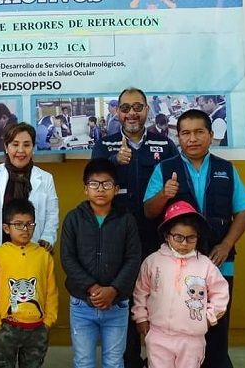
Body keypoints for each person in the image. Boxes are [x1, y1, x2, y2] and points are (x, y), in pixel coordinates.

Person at [143, 109, 245, 368]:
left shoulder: (226, 170)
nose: (192, 138)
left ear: (211, 135)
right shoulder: (165, 168)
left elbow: (242, 213)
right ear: (178, 137)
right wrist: (163, 194)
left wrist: (226, 245)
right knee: (177, 326)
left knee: (215, 327)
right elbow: (149, 211)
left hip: (218, 263)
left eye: (198, 132)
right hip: (176, 266)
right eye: (185, 133)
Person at [91, 87, 178, 368]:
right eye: (125, 108)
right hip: (118, 238)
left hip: (158, 237)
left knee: (159, 298)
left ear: (147, 111)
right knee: (124, 301)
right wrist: (114, 163)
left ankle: (160, 359)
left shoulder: (165, 145)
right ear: (117, 112)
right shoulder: (105, 146)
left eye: (137, 107)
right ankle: (129, 360)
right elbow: (96, 184)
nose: (131, 113)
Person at [60, 158, 141, 368]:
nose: (100, 189)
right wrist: (93, 287)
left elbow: (133, 259)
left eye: (106, 184)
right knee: (83, 361)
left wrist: (113, 290)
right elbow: (68, 258)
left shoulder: (126, 220)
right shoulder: (73, 219)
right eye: (94, 184)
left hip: (117, 304)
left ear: (115, 189)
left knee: (114, 362)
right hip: (81, 304)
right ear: (85, 189)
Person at [133, 201, 230, 368]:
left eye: (190, 238)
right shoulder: (153, 261)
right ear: (166, 235)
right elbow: (141, 291)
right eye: (178, 237)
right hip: (158, 334)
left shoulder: (205, 265)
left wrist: (208, 318)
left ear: (198, 237)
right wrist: (140, 317)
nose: (184, 243)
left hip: (192, 339)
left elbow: (221, 293)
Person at [0, 198, 58, 368]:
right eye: (18, 224)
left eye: (30, 224)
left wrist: (48, 322)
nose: (25, 229)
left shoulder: (43, 256)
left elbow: (51, 293)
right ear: (6, 228)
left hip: (37, 328)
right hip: (5, 327)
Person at [0, 123, 59, 272]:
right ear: (6, 147)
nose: (21, 151)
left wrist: (48, 238)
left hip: (34, 249)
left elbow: (52, 215)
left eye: (26, 145)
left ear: (33, 147)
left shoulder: (46, 178)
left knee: (32, 293)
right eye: (15, 144)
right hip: (0, 250)